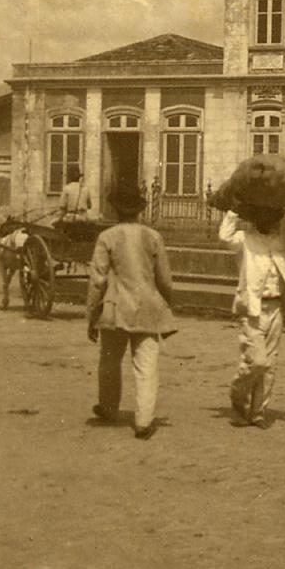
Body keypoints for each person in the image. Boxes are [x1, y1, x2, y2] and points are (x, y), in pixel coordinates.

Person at [83, 184, 180, 438]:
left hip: (116, 309)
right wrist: (166, 304)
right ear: (139, 210)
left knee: (110, 360)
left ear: (115, 210)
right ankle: (144, 421)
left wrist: (92, 313)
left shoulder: (108, 237)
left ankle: (108, 407)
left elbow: (98, 280)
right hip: (148, 307)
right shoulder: (153, 237)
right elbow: (165, 280)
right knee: (147, 365)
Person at [218, 203, 285, 425]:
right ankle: (238, 395)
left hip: (275, 307)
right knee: (257, 361)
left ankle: (258, 411)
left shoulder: (279, 240)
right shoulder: (244, 239)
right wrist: (233, 210)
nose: (269, 221)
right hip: (252, 309)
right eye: (264, 216)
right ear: (255, 219)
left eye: (272, 216)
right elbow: (224, 237)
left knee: (270, 363)